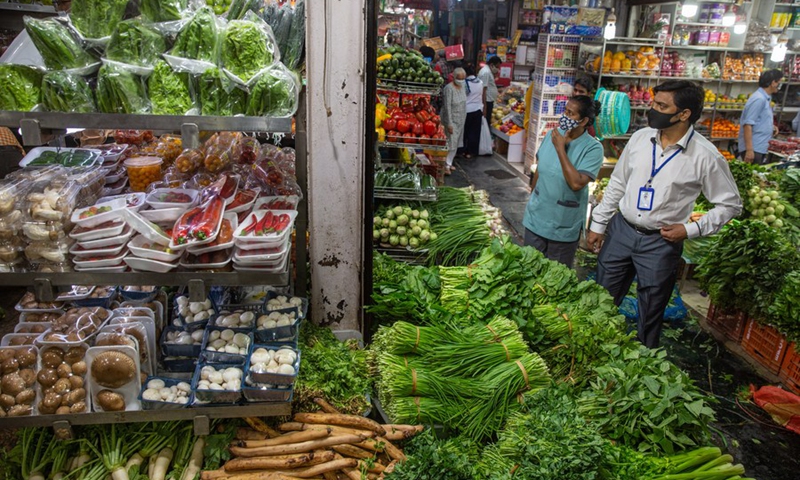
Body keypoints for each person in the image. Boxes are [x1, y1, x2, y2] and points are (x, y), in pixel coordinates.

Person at [586, 80, 742, 348]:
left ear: (684, 114)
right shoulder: (639, 139)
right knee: (601, 297)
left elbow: (730, 205)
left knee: (650, 311)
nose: (652, 109)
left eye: (661, 105)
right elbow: (618, 183)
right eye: (654, 102)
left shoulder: (706, 156)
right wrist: (599, 223)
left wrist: (690, 230)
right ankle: (590, 347)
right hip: (622, 231)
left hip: (661, 242)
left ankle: (642, 361)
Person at [522, 96, 604, 267]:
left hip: (563, 224)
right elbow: (540, 167)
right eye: (565, 111)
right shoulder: (553, 134)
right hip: (537, 217)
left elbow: (576, 183)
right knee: (528, 269)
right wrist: (533, 193)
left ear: (584, 121)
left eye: (570, 113)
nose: (564, 116)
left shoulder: (593, 148)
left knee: (554, 277)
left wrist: (561, 149)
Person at [738, 69, 782, 165]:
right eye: (779, 83)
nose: (779, 86)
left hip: (760, 147)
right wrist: (749, 150)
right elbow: (747, 125)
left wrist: (771, 127)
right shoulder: (759, 99)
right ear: (773, 83)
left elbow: (758, 120)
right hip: (754, 148)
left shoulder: (765, 98)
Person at [441, 68, 467, 175]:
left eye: (462, 78)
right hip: (450, 119)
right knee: (450, 142)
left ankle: (449, 162)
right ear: (454, 77)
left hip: (460, 119)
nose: (461, 80)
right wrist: (449, 123)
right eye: (459, 78)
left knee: (455, 143)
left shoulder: (463, 87)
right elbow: (447, 107)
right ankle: (445, 165)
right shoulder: (449, 89)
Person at [458, 63, 485, 159]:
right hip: (477, 110)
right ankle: (471, 152)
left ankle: (461, 151)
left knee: (464, 132)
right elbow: (482, 96)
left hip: (466, 110)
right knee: (474, 132)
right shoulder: (480, 82)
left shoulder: (464, 83)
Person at [479, 56, 502, 124]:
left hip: (489, 100)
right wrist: (485, 107)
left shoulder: (488, 71)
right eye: (497, 67)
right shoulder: (486, 72)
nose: (498, 69)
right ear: (492, 65)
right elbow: (483, 89)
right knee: (486, 121)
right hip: (487, 101)